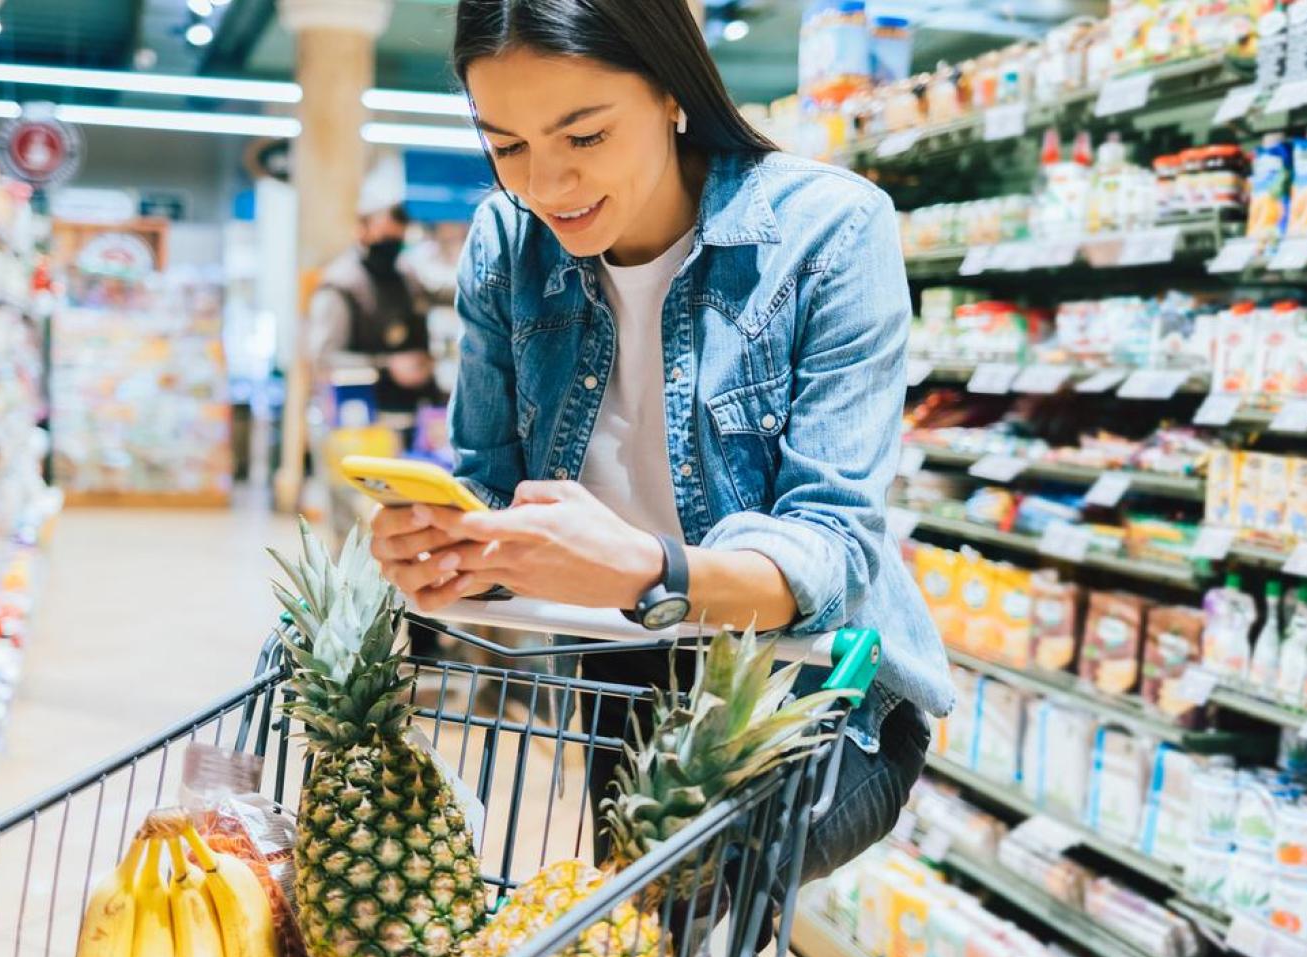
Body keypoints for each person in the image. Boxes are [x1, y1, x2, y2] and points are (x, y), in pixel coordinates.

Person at [367, 0, 957, 887]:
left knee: (673, 894)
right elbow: (490, 484)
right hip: (624, 676)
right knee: (636, 912)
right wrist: (450, 549)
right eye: (508, 145)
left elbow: (831, 545)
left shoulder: (830, 230)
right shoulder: (504, 245)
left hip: (813, 689)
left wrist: (649, 571)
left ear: (672, 92)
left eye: (585, 137)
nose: (547, 186)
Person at [306, 203, 442, 421]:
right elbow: (324, 358)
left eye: (397, 239)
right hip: (362, 419)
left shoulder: (406, 276)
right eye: (385, 237)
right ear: (363, 230)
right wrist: (387, 366)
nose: (391, 246)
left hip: (416, 415)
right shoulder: (341, 284)